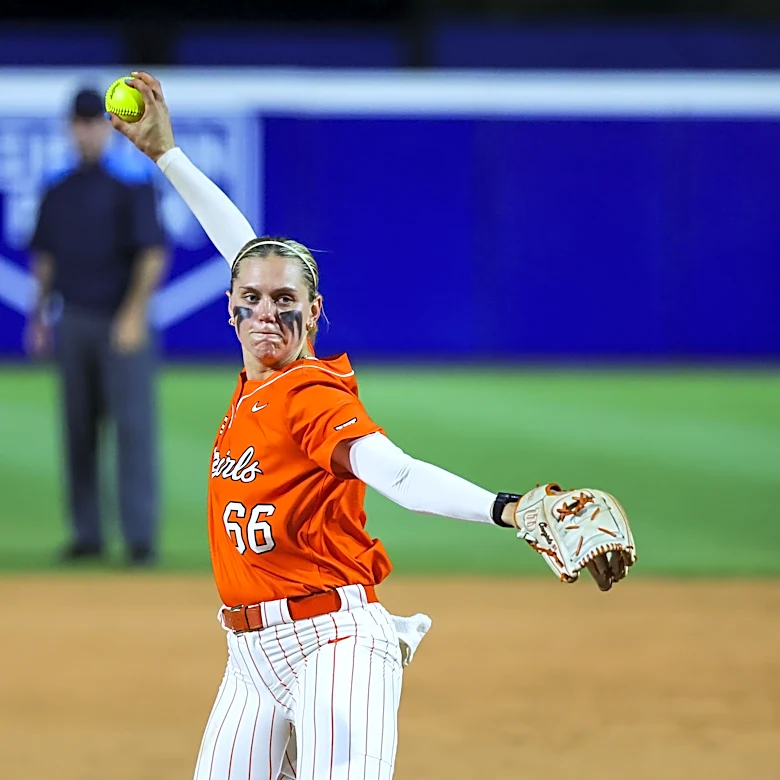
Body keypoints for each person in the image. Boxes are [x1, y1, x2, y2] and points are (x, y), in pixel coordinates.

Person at [110, 72, 630, 780]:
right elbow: (246, 248)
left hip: (334, 645)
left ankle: (384, 640)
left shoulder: (310, 395)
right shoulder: (256, 379)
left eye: (286, 301)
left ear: (314, 314)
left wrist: (508, 508)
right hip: (249, 660)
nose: (268, 312)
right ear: (229, 307)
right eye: (252, 299)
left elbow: (402, 476)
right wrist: (167, 155)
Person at [27, 87, 167, 566]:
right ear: (70, 127)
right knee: (78, 431)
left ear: (104, 129)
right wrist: (39, 315)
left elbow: (152, 254)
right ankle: (87, 534)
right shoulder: (57, 189)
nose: (85, 131)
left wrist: (133, 315)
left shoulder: (129, 185)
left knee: (132, 431)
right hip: (75, 319)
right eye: (79, 122)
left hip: (119, 320)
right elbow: (44, 258)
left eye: (92, 122)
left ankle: (140, 538)